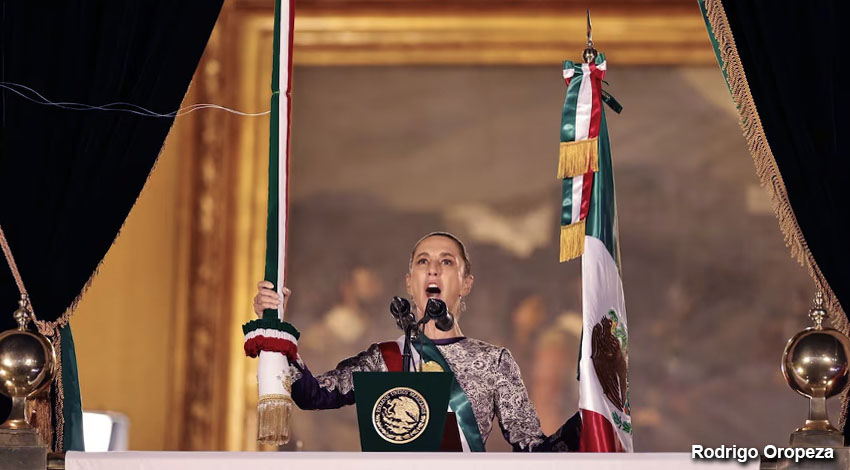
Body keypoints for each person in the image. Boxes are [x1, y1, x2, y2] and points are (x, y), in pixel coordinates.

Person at [253, 232, 579, 451]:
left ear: (466, 283)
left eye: (446, 262)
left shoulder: (495, 361)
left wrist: (588, 420)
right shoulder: (382, 359)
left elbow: (534, 448)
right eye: (423, 261)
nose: (433, 269)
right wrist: (274, 327)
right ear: (410, 283)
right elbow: (311, 395)